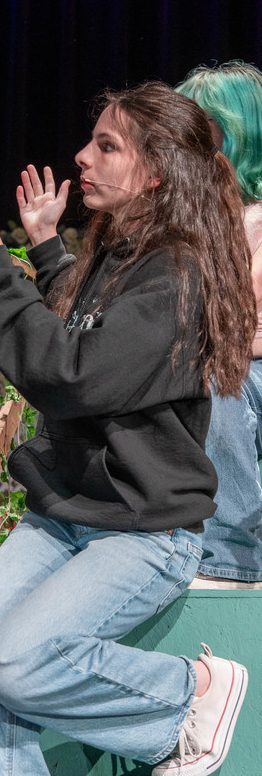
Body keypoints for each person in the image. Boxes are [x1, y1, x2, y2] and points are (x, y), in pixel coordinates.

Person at [0, 81, 256, 776]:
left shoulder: (178, 272)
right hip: (67, 514)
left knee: (12, 659)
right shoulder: (120, 251)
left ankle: (184, 695)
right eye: (92, 139)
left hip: (142, 530)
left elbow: (73, 375)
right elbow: (82, 329)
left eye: (108, 145)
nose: (82, 156)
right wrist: (42, 249)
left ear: (157, 173)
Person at [176, 61, 262, 583]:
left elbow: (240, 325)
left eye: (200, 126)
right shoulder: (187, 216)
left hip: (249, 367)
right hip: (202, 354)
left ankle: (233, 556)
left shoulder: (257, 219)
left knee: (216, 384)